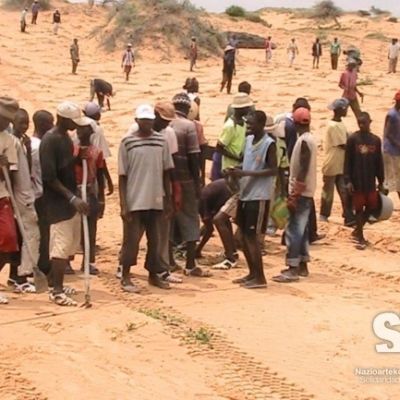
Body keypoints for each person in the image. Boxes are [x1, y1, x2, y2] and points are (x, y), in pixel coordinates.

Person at [118, 104, 176, 292]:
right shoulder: (127, 142)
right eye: (144, 121)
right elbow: (122, 176)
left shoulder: (161, 142)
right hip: (135, 200)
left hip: (156, 199)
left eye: (150, 120)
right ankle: (125, 275)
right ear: (137, 121)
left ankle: (154, 274)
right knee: (131, 241)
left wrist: (168, 200)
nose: (148, 124)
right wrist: (124, 205)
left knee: (155, 240)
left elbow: (167, 172)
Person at [40, 101, 90, 306]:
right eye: (73, 122)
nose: (76, 126)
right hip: (57, 203)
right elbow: (49, 177)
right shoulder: (50, 140)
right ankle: (57, 291)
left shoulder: (66, 139)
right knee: (59, 248)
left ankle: (54, 283)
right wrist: (72, 197)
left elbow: (65, 167)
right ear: (62, 119)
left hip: (68, 201)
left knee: (68, 244)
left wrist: (78, 159)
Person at [227, 111, 277, 288]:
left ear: (262, 124)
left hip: (259, 196)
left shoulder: (269, 144)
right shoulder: (248, 140)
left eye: (251, 124)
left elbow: (273, 170)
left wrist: (245, 173)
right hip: (246, 193)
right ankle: (252, 273)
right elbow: (246, 163)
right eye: (247, 124)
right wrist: (236, 170)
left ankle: (260, 277)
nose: (248, 127)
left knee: (252, 237)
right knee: (244, 236)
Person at [273, 108, 317, 283]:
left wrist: (295, 193)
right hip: (306, 191)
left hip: (301, 192)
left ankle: (292, 268)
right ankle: (303, 264)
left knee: (294, 230)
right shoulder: (309, 139)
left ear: (296, 123)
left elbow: (303, 168)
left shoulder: (304, 141)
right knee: (303, 229)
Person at [170, 93, 210, 277]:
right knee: (190, 218)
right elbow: (194, 156)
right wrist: (197, 181)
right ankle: (190, 264)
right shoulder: (189, 126)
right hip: (185, 180)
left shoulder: (165, 123)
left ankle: (169, 260)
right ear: (189, 109)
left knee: (169, 219)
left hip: (167, 180)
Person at [212, 93, 253, 270]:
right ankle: (231, 249)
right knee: (228, 210)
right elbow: (219, 147)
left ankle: (232, 247)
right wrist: (236, 157)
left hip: (239, 170)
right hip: (230, 171)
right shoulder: (230, 126)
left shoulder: (243, 124)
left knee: (232, 210)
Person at [7, 109, 40, 292]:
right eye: (21, 123)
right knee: (25, 236)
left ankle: (17, 275)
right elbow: (12, 172)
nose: (25, 126)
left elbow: (24, 168)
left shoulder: (23, 141)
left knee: (22, 237)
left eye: (27, 122)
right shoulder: (11, 142)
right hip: (18, 197)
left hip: (26, 194)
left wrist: (27, 149)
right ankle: (20, 275)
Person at [344, 112, 384, 249]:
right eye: (359, 123)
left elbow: (379, 162)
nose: (362, 125)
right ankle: (360, 236)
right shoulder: (353, 139)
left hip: (370, 180)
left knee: (373, 206)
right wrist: (348, 180)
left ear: (369, 122)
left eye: (364, 123)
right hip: (357, 181)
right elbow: (347, 161)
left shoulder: (376, 140)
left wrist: (382, 180)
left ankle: (358, 230)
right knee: (359, 209)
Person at [73, 123, 105, 275]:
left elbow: (100, 174)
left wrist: (101, 198)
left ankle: (88, 261)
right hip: (74, 192)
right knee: (73, 228)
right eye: (79, 129)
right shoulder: (71, 150)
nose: (81, 132)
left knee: (91, 229)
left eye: (84, 129)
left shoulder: (97, 152)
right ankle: (67, 261)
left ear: (91, 132)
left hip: (90, 191)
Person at [320, 98, 355, 226]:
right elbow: (343, 144)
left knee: (344, 190)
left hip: (340, 163)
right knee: (328, 191)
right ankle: (324, 214)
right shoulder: (332, 126)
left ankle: (348, 215)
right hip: (332, 163)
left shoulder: (339, 124)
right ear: (340, 110)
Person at [0, 97, 20, 304]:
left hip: (1, 194)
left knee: (9, 240)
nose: (5, 123)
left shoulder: (8, 139)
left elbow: (9, 172)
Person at [31, 110, 54, 275]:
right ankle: (43, 265)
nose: (52, 126)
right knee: (43, 231)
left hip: (32, 192)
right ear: (43, 124)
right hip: (41, 193)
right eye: (50, 122)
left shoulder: (30, 143)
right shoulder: (39, 146)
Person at [82, 102, 114, 196]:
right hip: (93, 169)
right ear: (97, 115)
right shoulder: (97, 129)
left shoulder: (78, 125)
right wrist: (108, 178)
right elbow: (101, 157)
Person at [196, 179, 232, 258]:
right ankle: (232, 251)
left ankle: (230, 255)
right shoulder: (202, 198)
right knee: (223, 222)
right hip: (223, 191)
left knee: (218, 222)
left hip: (221, 196)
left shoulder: (201, 205)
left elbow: (209, 227)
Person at [382, 91, 400, 198]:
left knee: (397, 180)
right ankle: (379, 205)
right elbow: (387, 133)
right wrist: (398, 144)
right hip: (390, 151)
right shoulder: (391, 114)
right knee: (389, 179)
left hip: (396, 151)